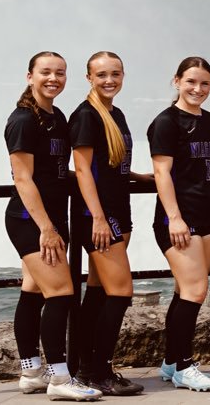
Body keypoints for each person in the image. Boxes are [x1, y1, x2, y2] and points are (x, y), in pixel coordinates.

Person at [9, 51, 103, 400]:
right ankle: (60, 379)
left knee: (33, 292)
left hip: (48, 219)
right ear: (29, 76)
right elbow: (22, 178)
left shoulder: (55, 115)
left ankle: (31, 370)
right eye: (45, 72)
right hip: (29, 220)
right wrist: (47, 228)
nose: (53, 79)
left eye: (60, 73)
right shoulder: (23, 120)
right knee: (62, 293)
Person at [68, 51, 145, 396]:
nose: (109, 80)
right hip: (99, 218)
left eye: (115, 73)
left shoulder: (117, 113)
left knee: (98, 294)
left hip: (118, 210)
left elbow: (113, 164)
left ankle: (87, 369)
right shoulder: (85, 115)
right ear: (89, 78)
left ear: (123, 75)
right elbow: (83, 169)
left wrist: (142, 176)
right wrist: (98, 218)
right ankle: (99, 371)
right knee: (121, 292)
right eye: (101, 75)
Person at [149, 57, 210, 392]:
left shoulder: (209, 121)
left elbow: (208, 162)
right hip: (179, 217)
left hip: (209, 214)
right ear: (177, 80)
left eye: (204, 83)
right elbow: (162, 172)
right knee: (196, 290)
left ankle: (170, 361)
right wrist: (175, 218)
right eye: (191, 81)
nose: (197, 89)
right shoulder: (165, 122)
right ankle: (183, 366)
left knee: (186, 291)